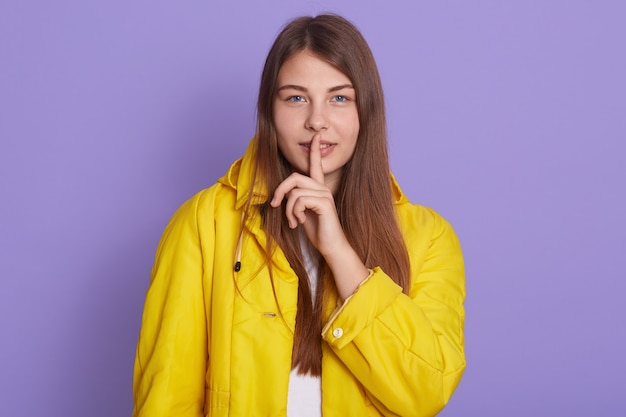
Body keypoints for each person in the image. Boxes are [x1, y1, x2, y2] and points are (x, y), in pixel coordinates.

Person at [132, 13, 465, 417]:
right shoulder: (205, 224)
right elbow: (166, 400)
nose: (317, 121)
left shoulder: (427, 237)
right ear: (269, 110)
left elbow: (426, 391)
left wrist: (338, 251)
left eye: (339, 98)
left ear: (366, 112)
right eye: (296, 98)